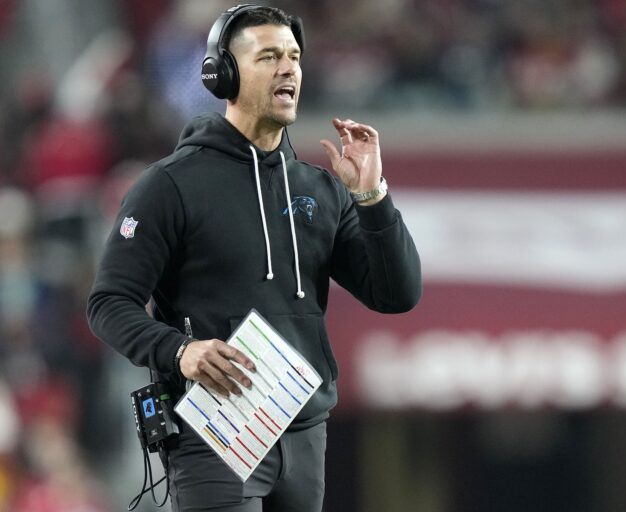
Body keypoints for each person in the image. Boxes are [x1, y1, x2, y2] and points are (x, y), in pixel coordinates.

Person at [86, 5, 421, 512]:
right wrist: (179, 351)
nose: (289, 68)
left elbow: (396, 295)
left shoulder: (321, 188)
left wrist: (372, 198)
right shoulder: (169, 185)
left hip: (304, 430)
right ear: (223, 75)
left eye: (294, 56)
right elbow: (109, 303)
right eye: (269, 56)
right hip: (215, 431)